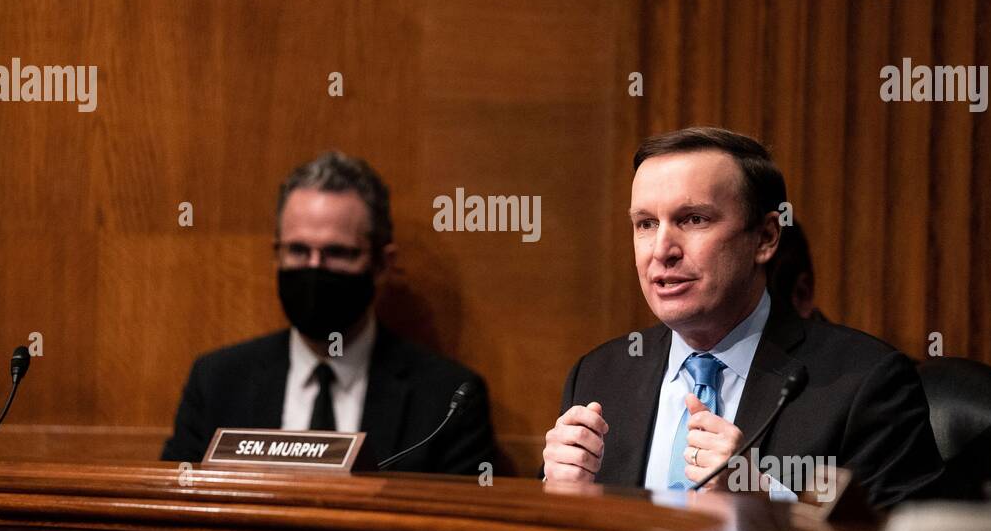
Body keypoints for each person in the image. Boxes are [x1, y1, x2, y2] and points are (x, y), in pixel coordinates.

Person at [541, 127, 943, 509]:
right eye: (645, 224)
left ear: (766, 237)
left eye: (693, 219)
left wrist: (766, 503)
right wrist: (562, 501)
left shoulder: (864, 382)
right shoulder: (600, 375)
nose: (661, 249)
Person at [162, 151, 496, 475]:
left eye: (336, 253)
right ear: (276, 256)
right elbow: (171, 510)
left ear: (382, 265)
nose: (314, 269)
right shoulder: (218, 382)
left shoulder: (448, 399)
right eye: (297, 250)